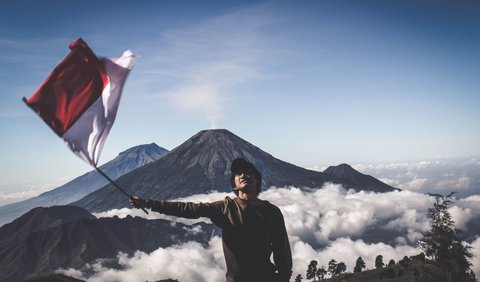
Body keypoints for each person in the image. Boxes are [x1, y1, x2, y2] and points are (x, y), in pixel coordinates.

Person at [130, 157, 293, 282]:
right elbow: (188, 209)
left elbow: (282, 250)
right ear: (234, 185)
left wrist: (283, 278)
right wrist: (149, 204)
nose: (243, 174)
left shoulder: (272, 212)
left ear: (257, 180)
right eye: (238, 173)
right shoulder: (225, 208)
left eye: (248, 172)